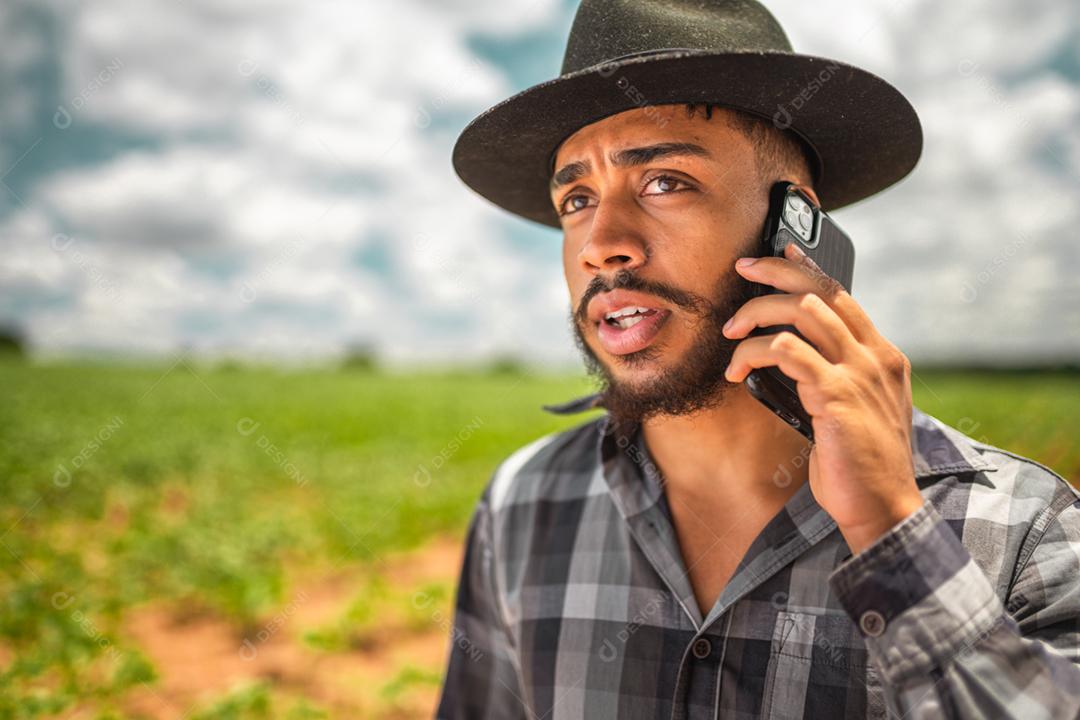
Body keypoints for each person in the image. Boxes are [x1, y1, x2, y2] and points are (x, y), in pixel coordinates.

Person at [436, 1, 1080, 718]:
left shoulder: (1022, 529)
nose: (599, 243)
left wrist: (893, 534)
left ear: (792, 229)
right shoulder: (522, 506)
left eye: (664, 182)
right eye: (577, 198)